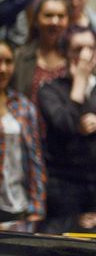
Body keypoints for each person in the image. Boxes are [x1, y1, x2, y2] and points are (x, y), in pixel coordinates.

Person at [38, 27, 96, 234]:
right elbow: (65, 124)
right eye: (77, 49)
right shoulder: (50, 90)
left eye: (90, 49)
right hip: (64, 185)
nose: (85, 56)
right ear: (65, 52)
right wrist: (79, 83)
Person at [0, 39, 46, 225]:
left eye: (8, 62)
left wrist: (37, 206)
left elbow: (35, 159)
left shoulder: (23, 106)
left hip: (17, 205)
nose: (2, 69)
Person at [11, 0, 70, 102]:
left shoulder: (75, 56)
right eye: (48, 15)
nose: (55, 22)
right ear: (36, 20)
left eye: (61, 16)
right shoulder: (19, 57)